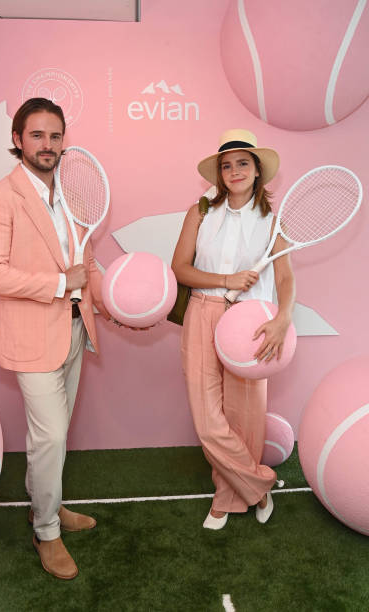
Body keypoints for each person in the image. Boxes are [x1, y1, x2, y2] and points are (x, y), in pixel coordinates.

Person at [0, 97, 112, 579]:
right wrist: (60, 284)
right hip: (31, 339)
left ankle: (41, 509)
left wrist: (109, 302)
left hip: (76, 331)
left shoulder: (71, 200)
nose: (47, 145)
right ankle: (46, 530)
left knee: (52, 436)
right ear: (18, 140)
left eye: (55, 136)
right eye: (37, 135)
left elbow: (87, 266)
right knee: (50, 435)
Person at [171, 128, 295, 529]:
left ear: (258, 171)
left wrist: (282, 319)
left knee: (246, 415)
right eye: (227, 165)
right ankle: (258, 484)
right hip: (204, 314)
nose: (234, 170)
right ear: (219, 174)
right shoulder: (201, 212)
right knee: (208, 418)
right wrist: (226, 280)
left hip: (251, 323)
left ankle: (227, 496)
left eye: (243, 163)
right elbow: (181, 270)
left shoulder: (273, 222)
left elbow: (286, 279)